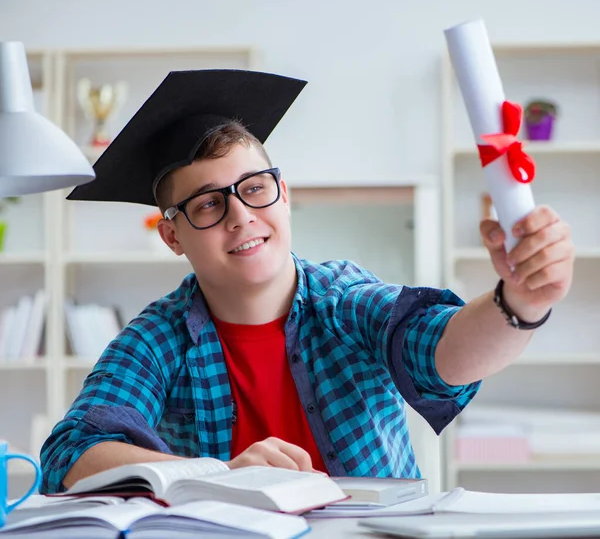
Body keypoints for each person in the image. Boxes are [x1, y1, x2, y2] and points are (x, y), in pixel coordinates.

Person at [40, 70, 575, 493]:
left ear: (284, 194)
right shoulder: (159, 339)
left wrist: (518, 301)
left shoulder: (343, 300)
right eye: (207, 203)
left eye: (254, 187)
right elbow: (73, 450)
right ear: (173, 236)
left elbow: (441, 349)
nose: (240, 215)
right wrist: (219, 475)